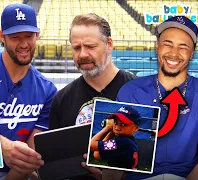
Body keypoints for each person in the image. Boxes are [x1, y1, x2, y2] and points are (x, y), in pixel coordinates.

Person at [0, 3, 57, 179]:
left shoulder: (47, 90)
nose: (23, 44)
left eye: (28, 36)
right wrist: (1, 146)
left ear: (37, 35)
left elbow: (27, 158)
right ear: (2, 36)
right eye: (15, 37)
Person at [117, 16, 198, 180]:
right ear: (157, 47)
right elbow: (119, 156)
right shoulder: (130, 91)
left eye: (183, 47)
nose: (174, 53)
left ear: (192, 54)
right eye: (168, 44)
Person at [48, 13, 136, 180]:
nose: (82, 54)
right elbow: (55, 162)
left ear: (109, 45)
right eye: (76, 48)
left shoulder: (141, 93)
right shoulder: (62, 100)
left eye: (90, 46)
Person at [90, 105, 140, 170]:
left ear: (136, 128)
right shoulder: (129, 141)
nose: (117, 128)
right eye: (115, 123)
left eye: (123, 124)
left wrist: (107, 128)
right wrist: (112, 132)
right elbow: (97, 154)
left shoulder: (123, 142)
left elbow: (91, 145)